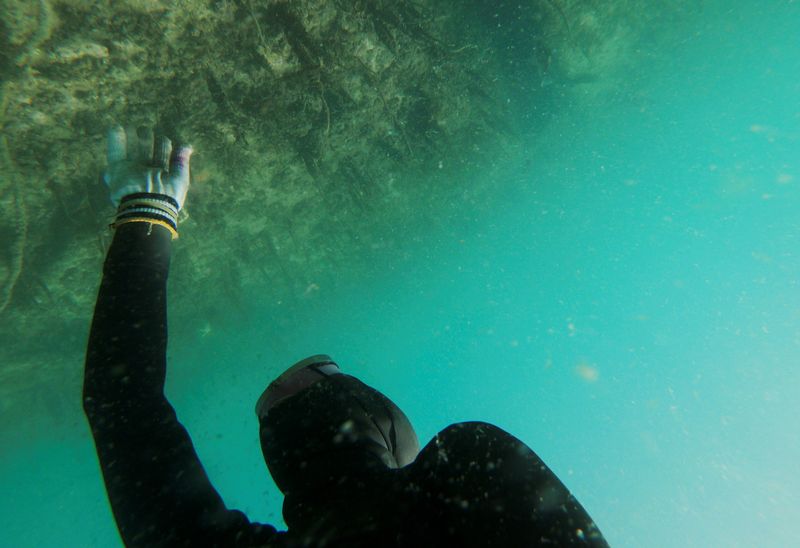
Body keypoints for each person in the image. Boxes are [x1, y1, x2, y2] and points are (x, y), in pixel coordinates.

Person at [83, 127, 609, 547]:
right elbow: (121, 403)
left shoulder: (472, 465)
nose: (283, 385)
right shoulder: (473, 467)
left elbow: (123, 405)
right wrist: (145, 219)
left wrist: (148, 218)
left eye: (275, 403)